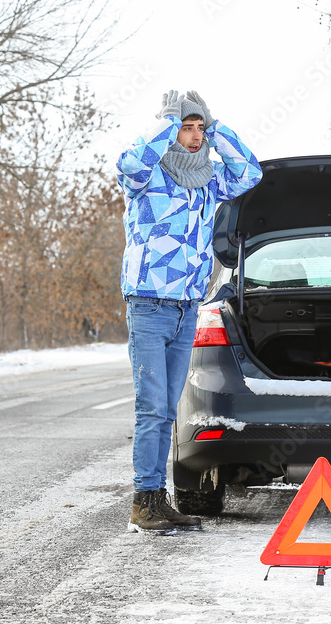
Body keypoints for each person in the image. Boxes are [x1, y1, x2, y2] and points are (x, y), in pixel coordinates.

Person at [116, 90, 262, 534]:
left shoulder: (208, 179)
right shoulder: (146, 177)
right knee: (152, 408)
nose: (195, 136)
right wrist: (168, 120)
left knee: (168, 411)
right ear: (170, 129)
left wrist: (217, 129)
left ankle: (157, 501)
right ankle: (144, 500)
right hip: (149, 303)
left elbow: (249, 173)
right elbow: (130, 161)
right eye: (188, 127)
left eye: (200, 127)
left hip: (186, 306)